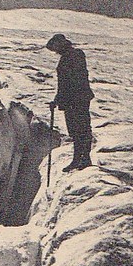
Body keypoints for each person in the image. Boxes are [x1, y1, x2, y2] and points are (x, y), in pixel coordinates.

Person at [46, 33, 94, 172]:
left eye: (55, 49)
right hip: (73, 99)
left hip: (77, 100)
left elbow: (72, 81)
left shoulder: (75, 55)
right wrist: (57, 99)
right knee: (75, 130)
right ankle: (80, 159)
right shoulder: (69, 56)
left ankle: (83, 160)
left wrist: (62, 98)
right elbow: (64, 84)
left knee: (81, 130)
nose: (55, 52)